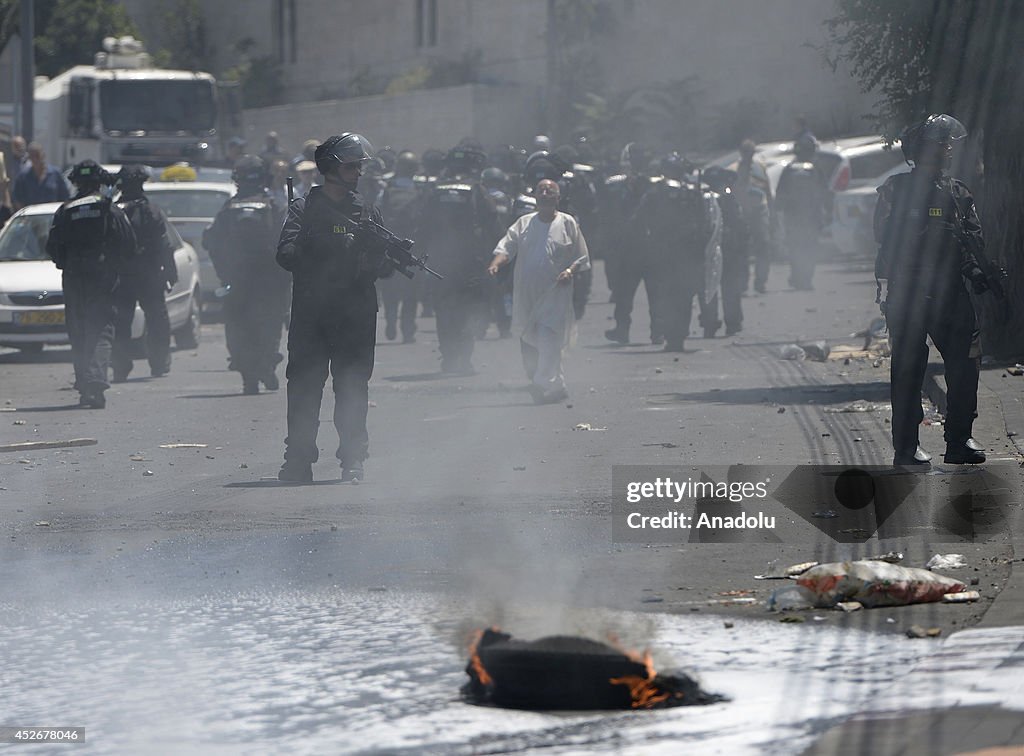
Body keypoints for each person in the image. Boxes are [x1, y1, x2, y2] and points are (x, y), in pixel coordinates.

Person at [276, 134, 394, 483]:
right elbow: (285, 255)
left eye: (360, 166)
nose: (358, 172)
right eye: (350, 166)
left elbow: (385, 268)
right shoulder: (302, 209)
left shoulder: (367, 211)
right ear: (330, 168)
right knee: (304, 389)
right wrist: (321, 246)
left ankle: (353, 459)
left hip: (354, 315)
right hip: (312, 315)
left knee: (353, 387)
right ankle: (298, 460)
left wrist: (374, 251)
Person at [875, 114, 988, 466]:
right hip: (908, 290)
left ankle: (959, 440)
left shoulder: (958, 192)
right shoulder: (894, 190)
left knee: (965, 363)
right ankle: (906, 447)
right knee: (908, 367)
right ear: (924, 149)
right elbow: (882, 238)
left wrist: (978, 271)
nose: (950, 148)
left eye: (949, 142)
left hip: (950, 290)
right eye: (942, 143)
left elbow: (973, 242)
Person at [488, 179, 590, 404]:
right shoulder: (523, 223)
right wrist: (496, 263)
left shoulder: (568, 223)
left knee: (549, 336)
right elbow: (507, 247)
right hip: (527, 292)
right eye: (541, 190)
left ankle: (541, 382)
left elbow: (580, 256)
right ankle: (558, 384)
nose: (545, 194)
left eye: (550, 191)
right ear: (535, 197)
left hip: (556, 291)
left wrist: (569, 271)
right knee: (533, 336)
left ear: (557, 198)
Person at [46, 161, 136, 408]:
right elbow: (128, 243)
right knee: (101, 329)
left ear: (75, 182)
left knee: (79, 331)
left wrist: (68, 264)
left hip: (75, 278)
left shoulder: (66, 210)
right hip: (103, 277)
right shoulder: (109, 209)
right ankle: (95, 382)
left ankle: (85, 386)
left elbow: (53, 247)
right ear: (100, 182)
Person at [203, 155, 290, 394]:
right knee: (270, 327)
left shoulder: (227, 209)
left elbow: (210, 241)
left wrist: (226, 274)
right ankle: (266, 364)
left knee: (239, 327)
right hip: (270, 283)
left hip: (238, 282)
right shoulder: (275, 207)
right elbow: (288, 242)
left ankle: (249, 376)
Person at [417, 145, 501, 374]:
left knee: (444, 311)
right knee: (467, 309)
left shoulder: (435, 189)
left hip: (441, 262)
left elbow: (423, 223)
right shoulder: (476, 189)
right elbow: (492, 221)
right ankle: (464, 359)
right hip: (471, 262)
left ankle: (449, 358)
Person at [111, 165, 177, 381]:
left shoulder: (113, 210)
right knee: (157, 318)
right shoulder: (151, 210)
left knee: (121, 321)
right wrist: (170, 272)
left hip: (122, 275)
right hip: (148, 273)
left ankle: (121, 366)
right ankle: (159, 363)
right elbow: (164, 244)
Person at [602, 142, 656, 343]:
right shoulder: (617, 185)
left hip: (647, 245)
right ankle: (623, 329)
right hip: (631, 246)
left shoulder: (656, 184)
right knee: (624, 293)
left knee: (653, 293)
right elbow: (610, 214)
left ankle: (656, 330)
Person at [775, 134, 829, 290]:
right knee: (810, 248)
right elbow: (824, 192)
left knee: (795, 248)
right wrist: (827, 212)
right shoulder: (815, 169)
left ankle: (797, 277)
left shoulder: (789, 169)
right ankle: (806, 279)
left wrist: (779, 212)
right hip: (812, 216)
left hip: (793, 217)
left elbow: (780, 193)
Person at [379, 150, 422, 343]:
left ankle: (390, 321)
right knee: (411, 291)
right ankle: (408, 329)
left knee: (390, 289)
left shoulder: (387, 189)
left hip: (391, 244)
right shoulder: (421, 190)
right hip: (412, 245)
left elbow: (380, 214)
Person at [703, 166, 749, 336]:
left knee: (716, 288)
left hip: (721, 249)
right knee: (721, 288)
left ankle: (718, 323)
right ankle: (724, 323)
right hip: (718, 249)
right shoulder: (717, 199)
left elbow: (739, 225)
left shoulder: (721, 199)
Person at [731, 139, 773, 293]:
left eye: (751, 152)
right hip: (742, 213)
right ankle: (742, 283)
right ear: (741, 153)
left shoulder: (760, 167)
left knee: (763, 245)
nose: (749, 155)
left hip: (759, 211)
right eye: (746, 152)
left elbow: (767, 190)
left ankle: (761, 282)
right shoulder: (734, 170)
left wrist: (772, 211)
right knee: (741, 250)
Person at [13, 143, 70, 210]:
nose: (35, 159)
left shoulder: (55, 174)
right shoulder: (23, 177)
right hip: (31, 217)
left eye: (37, 155)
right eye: (32, 156)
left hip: (52, 216)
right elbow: (17, 200)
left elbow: (65, 197)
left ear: (43, 155)